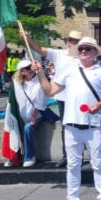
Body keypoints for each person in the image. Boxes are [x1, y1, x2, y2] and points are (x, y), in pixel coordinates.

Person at [36, 37, 101, 200]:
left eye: (88, 49)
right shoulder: (69, 70)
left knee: (99, 164)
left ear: (95, 52)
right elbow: (50, 91)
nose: (83, 51)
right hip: (71, 125)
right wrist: (40, 73)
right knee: (73, 165)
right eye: (81, 49)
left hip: (93, 125)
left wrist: (100, 104)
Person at [23, 29, 83, 168]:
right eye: (70, 39)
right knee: (65, 126)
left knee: (82, 126)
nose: (71, 43)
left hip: (80, 97)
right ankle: (66, 155)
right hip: (62, 96)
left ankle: (79, 154)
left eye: (75, 41)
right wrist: (29, 38)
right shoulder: (59, 53)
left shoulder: (84, 55)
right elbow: (39, 49)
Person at [5, 60, 49, 167]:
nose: (31, 69)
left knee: (28, 128)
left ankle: (29, 156)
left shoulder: (40, 81)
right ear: (22, 71)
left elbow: (40, 102)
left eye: (31, 67)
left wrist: (34, 116)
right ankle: (14, 156)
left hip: (37, 114)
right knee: (14, 128)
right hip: (21, 115)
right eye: (28, 68)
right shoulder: (17, 82)